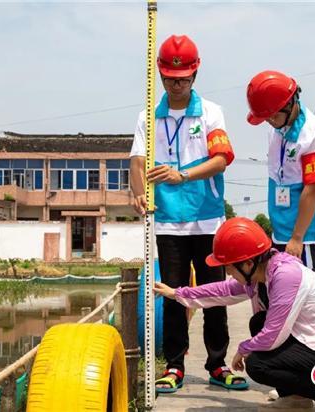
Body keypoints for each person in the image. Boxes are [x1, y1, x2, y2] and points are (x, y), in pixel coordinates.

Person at [154, 217, 315, 411]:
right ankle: (296, 398)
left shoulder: (285, 275)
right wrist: (176, 293)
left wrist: (244, 349)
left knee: (257, 364)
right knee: (258, 322)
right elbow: (222, 290)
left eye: (230, 267)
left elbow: (274, 334)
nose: (228, 272)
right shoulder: (262, 274)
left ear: (248, 263)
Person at [129, 34, 245, 393]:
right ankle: (174, 366)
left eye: (183, 79)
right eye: (169, 78)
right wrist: (137, 193)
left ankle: (217, 364)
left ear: (195, 75)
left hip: (208, 217)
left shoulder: (210, 112)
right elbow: (136, 160)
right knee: (174, 294)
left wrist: (183, 175)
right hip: (167, 221)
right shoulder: (149, 115)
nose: (177, 85)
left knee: (214, 294)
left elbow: (222, 159)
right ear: (160, 75)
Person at [246, 70, 315, 279]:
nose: (268, 121)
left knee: (306, 299)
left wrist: (297, 238)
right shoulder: (278, 128)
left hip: (304, 238)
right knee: (282, 295)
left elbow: (312, 191)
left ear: (289, 104)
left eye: (272, 116)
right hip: (281, 231)